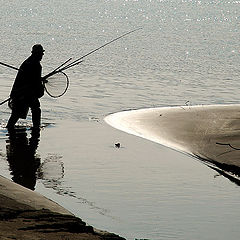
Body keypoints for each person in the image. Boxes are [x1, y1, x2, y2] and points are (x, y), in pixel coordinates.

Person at [6, 44, 45, 129]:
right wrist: (39, 82)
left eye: (42, 53)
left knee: (31, 109)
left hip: (23, 92)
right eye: (41, 53)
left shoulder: (28, 62)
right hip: (23, 93)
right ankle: (36, 128)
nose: (42, 55)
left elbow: (33, 79)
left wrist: (39, 80)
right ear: (36, 53)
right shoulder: (35, 65)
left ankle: (35, 127)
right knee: (20, 113)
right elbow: (33, 81)